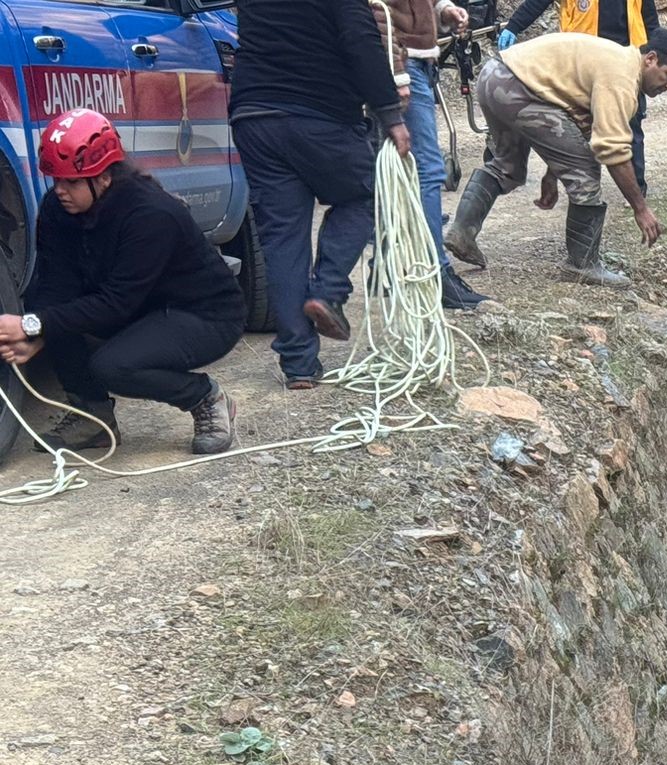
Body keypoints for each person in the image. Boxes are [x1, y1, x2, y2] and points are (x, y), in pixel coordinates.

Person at [0, 112, 241, 455]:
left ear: (104, 178)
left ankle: (205, 398)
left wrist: (30, 324)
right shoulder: (58, 210)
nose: (60, 191)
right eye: (55, 180)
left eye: (71, 182)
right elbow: (56, 285)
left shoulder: (150, 215)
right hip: (135, 308)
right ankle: (91, 415)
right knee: (49, 305)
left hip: (202, 314)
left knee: (114, 365)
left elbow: (116, 304)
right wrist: (37, 334)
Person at [229, 0, 412, 389]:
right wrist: (391, 115)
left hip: (254, 117)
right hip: (319, 114)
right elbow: (361, 40)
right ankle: (327, 292)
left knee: (282, 236)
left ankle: (298, 365)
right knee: (370, 193)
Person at [443, 28, 667, 286]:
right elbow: (611, 149)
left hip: (495, 76)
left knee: (507, 165)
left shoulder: (616, 62)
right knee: (586, 170)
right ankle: (582, 265)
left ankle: (462, 232)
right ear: (650, 59)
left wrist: (553, 175)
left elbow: (576, 127)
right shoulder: (621, 76)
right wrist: (641, 209)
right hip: (518, 86)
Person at [379, 0, 491, 309]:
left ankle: (390, 266)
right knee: (427, 169)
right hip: (403, 64)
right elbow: (377, 13)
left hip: (413, 62)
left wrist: (444, 11)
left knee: (396, 171)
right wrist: (399, 75)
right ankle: (435, 274)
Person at [496, 0, 659, 194]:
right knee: (574, 127)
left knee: (632, 126)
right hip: (583, 67)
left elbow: (650, 19)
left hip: (627, 66)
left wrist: (658, 53)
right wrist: (514, 26)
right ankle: (580, 190)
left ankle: (637, 189)